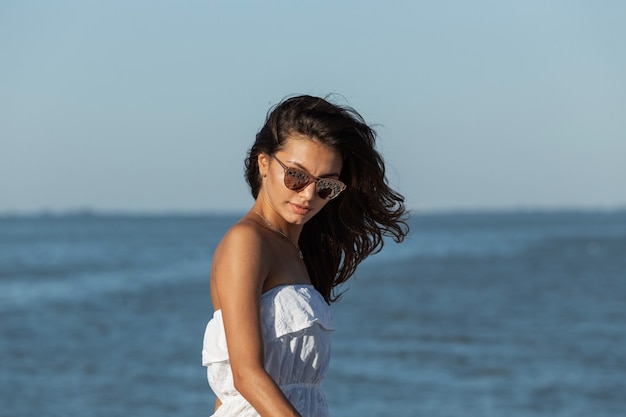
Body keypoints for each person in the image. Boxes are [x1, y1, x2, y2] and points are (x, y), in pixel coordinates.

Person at [201, 94, 409, 416]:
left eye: (326, 185)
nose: (309, 194)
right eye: (297, 176)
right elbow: (245, 376)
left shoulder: (295, 252)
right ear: (264, 163)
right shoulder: (247, 241)